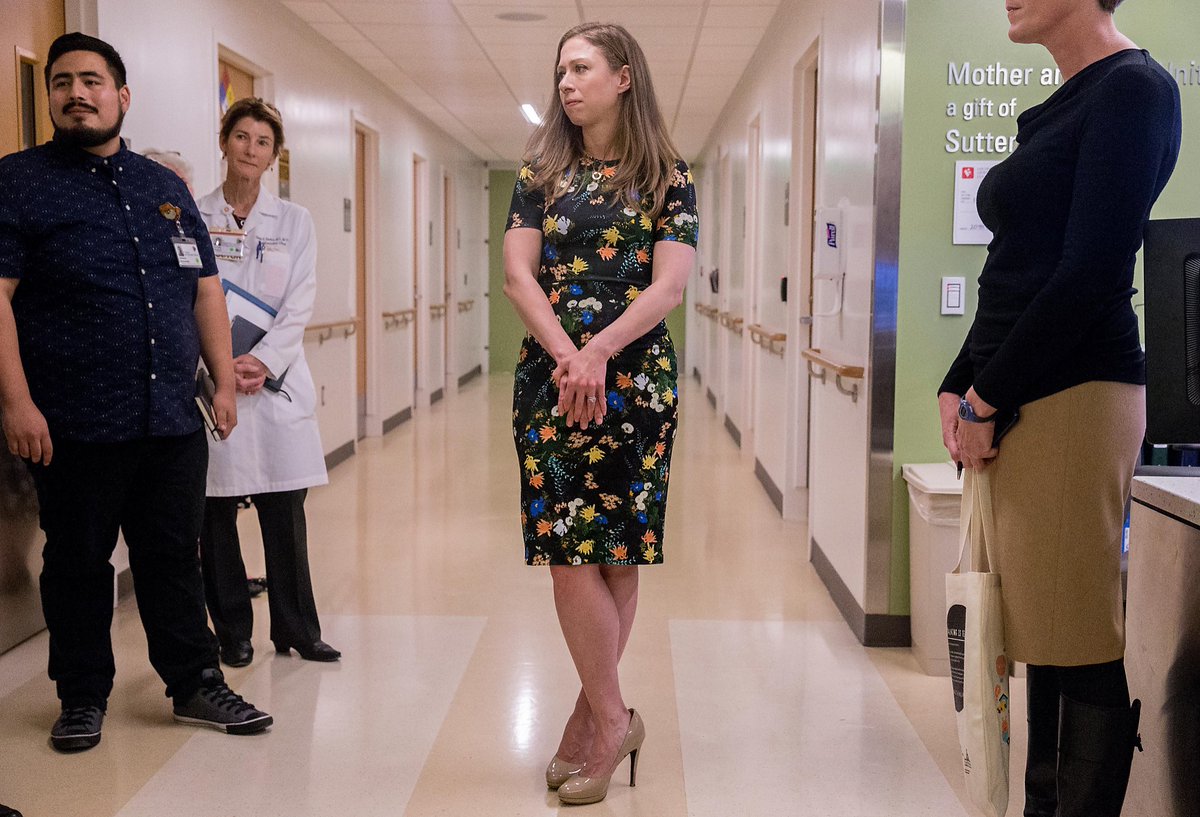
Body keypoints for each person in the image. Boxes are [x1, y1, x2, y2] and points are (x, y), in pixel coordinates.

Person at [937, 2, 1181, 815]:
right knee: (1041, 631)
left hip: (1076, 393)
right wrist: (957, 376)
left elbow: (1087, 272)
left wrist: (986, 393)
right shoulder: (1069, 99)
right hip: (1023, 391)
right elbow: (1015, 266)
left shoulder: (1133, 90)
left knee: (1075, 634)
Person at [0, 32, 273, 752]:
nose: (76, 93)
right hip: (73, 419)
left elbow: (205, 288)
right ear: (50, 96)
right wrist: (17, 402)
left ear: (123, 96)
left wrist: (220, 379)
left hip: (167, 418)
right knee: (80, 562)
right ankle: (82, 694)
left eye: (92, 80)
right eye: (62, 82)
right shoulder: (19, 181)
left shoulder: (166, 190)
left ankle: (194, 682)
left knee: (171, 556)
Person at [503, 21, 697, 806]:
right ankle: (615, 715)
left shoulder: (667, 174)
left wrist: (600, 352)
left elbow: (668, 287)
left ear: (624, 76)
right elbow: (519, 274)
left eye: (581, 68)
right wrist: (568, 355)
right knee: (565, 547)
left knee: (616, 550)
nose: (566, 84)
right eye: (560, 71)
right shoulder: (540, 170)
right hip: (553, 376)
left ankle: (591, 722)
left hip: (635, 376)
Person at [196, 97, 338, 668]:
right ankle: (233, 631)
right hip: (213, 382)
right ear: (224, 141)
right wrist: (221, 367)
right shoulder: (192, 212)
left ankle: (297, 629)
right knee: (215, 516)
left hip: (273, 382)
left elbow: (299, 301)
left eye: (263, 143)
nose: (250, 150)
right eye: (242, 138)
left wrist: (264, 360)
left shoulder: (295, 221)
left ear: (273, 156)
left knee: (286, 512)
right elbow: (191, 296)